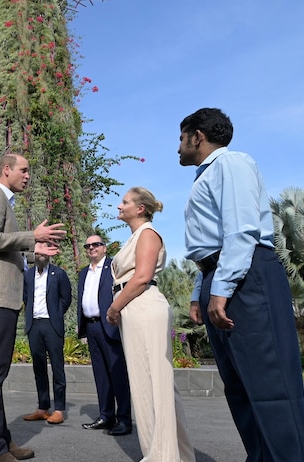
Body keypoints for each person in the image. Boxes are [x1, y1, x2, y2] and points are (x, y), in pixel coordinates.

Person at [178, 108, 304, 461]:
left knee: (271, 386)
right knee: (240, 388)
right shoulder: (205, 176)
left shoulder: (232, 164)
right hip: (219, 273)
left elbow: (240, 231)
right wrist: (200, 291)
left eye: (181, 139)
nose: (178, 148)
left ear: (198, 136)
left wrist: (221, 288)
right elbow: (211, 242)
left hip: (245, 276)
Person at [0, 153, 65, 462]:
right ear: (7, 169)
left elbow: (5, 250)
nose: (28, 176)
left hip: (5, 297)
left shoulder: (5, 200)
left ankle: (2, 441)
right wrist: (31, 236)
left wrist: (33, 249)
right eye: (24, 170)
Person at [106, 188, 195, 462]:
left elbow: (142, 276)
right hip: (134, 308)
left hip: (143, 305)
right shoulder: (134, 237)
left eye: (125, 202)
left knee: (153, 382)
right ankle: (172, 453)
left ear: (140, 208)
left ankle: (162, 456)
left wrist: (114, 306)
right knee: (149, 382)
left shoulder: (147, 234)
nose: (119, 206)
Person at [76, 234, 132, 435]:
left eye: (96, 244)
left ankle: (124, 419)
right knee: (101, 375)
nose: (92, 248)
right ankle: (106, 416)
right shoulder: (84, 273)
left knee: (118, 375)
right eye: (88, 245)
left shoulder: (113, 268)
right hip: (91, 328)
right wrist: (81, 326)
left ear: (104, 247)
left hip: (109, 325)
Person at [21, 252, 72, 425]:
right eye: (38, 251)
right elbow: (26, 297)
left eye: (44, 251)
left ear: (49, 254)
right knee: (39, 368)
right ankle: (43, 408)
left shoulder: (58, 274)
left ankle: (58, 409)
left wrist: (56, 314)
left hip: (52, 325)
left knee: (57, 367)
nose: (41, 255)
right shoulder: (28, 275)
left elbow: (66, 299)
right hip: (34, 325)